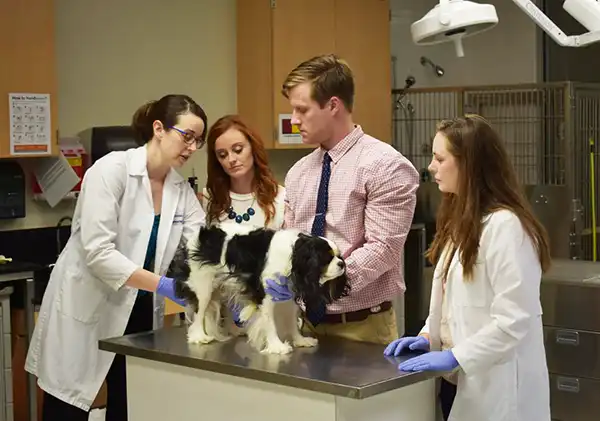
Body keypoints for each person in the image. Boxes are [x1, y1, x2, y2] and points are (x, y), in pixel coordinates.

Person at [25, 94, 208, 420]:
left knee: (130, 403)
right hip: (89, 304)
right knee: (67, 404)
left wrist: (232, 291)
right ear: (159, 129)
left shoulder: (180, 191)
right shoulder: (111, 171)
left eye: (199, 141)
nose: (193, 147)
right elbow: (98, 252)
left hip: (138, 309)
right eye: (187, 136)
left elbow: (202, 248)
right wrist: (165, 285)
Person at [384, 115, 551, 421]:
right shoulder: (461, 221)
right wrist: (428, 336)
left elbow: (514, 321)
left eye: (439, 158)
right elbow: (454, 303)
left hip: (498, 387)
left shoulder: (507, 227)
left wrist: (454, 356)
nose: (431, 167)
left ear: (469, 164)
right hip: (459, 382)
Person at [281, 54, 420, 344]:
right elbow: (290, 240)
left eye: (302, 110)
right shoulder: (298, 173)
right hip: (305, 326)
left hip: (363, 327)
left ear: (333, 105)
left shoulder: (385, 165)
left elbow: (382, 248)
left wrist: (321, 281)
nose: (294, 120)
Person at [201, 114, 285, 229]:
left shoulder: (280, 198)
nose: (231, 160)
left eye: (238, 150)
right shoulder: (208, 199)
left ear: (253, 148)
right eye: (222, 155)